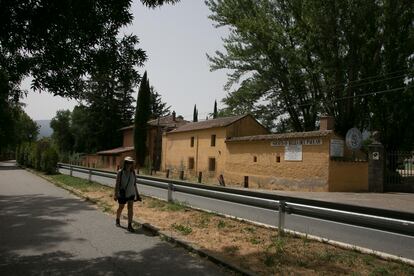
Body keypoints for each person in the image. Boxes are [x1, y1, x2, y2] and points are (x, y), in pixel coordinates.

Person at [114, 156, 140, 232]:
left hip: (131, 193)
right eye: (127, 163)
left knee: (130, 208)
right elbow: (117, 184)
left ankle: (129, 225)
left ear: (132, 164)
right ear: (125, 163)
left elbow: (134, 184)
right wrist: (115, 194)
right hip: (122, 193)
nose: (129, 164)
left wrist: (137, 195)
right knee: (121, 207)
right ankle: (117, 219)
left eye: (130, 163)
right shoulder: (120, 172)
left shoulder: (133, 172)